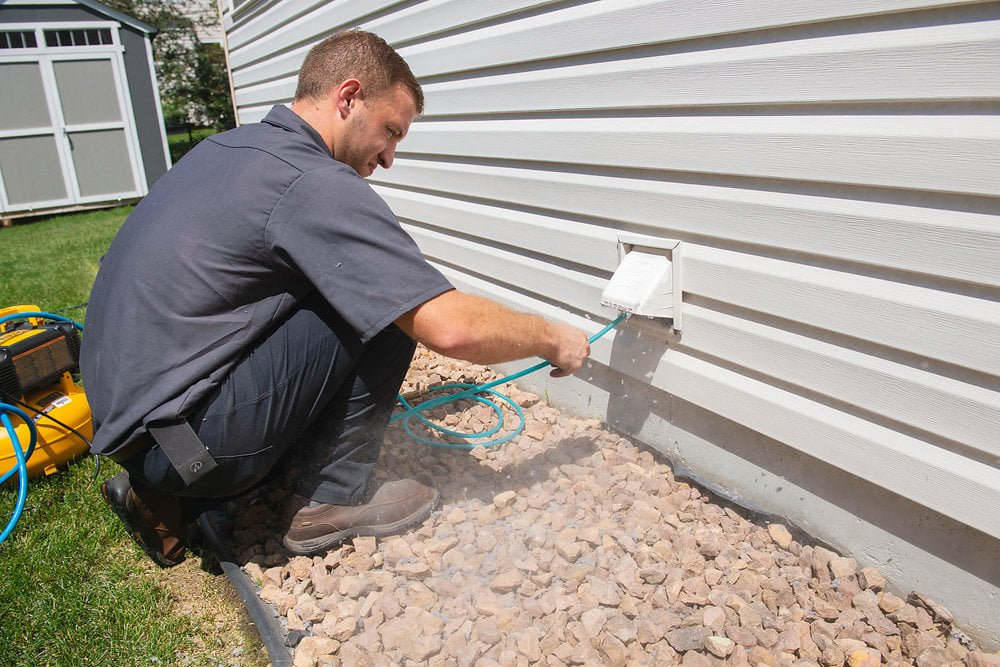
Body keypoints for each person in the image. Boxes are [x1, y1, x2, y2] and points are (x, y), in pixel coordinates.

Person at [81, 30, 590, 567]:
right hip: (192, 450)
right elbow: (451, 328)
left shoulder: (227, 147)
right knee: (389, 303)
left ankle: (156, 499)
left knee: (354, 285)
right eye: (390, 131)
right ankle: (331, 500)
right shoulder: (312, 181)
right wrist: (551, 337)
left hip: (132, 430)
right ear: (347, 98)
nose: (390, 157)